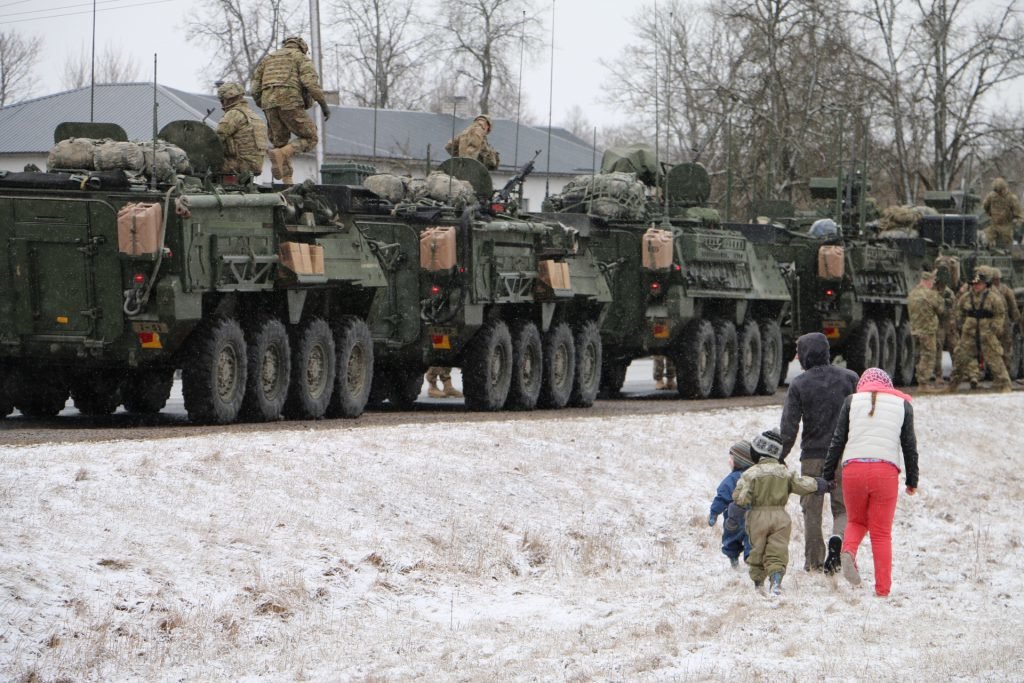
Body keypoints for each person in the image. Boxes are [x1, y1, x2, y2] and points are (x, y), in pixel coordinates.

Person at [823, 368, 919, 598]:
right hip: (884, 471)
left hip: (853, 469)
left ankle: (848, 551)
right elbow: (909, 446)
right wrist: (912, 480)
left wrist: (828, 473)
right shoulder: (902, 405)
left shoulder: (851, 402)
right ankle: (882, 589)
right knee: (881, 533)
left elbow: (838, 440)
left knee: (856, 521)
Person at [779, 332, 859, 573]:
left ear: (805, 355)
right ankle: (840, 543)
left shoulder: (799, 384)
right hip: (844, 455)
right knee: (843, 508)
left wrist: (779, 455)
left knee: (811, 509)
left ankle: (814, 562)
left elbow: (789, 426)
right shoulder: (850, 378)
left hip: (813, 457)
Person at [730, 429, 827, 595]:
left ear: (757, 452)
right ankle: (776, 581)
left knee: (757, 550)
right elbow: (802, 484)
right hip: (780, 517)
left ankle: (758, 581)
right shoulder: (785, 472)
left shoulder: (751, 473)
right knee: (778, 550)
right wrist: (818, 484)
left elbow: (741, 497)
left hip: (757, 517)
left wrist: (737, 509)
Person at [250, 35, 330, 185]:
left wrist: (263, 103)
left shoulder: (268, 59)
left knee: (280, 143)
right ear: (302, 47)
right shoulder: (301, 58)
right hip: (290, 101)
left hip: (269, 103)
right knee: (311, 138)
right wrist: (323, 105)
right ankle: (282, 154)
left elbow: (254, 88)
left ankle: (288, 183)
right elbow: (310, 83)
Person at [948, 268, 1010, 393]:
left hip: (987, 333)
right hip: (969, 333)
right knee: (960, 358)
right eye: (974, 284)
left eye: (979, 284)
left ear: (985, 284)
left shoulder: (993, 298)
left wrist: (996, 327)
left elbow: (1000, 314)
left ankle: (1004, 384)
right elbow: (958, 311)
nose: (976, 286)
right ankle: (952, 386)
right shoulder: (966, 297)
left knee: (995, 359)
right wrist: (959, 323)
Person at [708, 440, 754, 569]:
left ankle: (733, 557)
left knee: (731, 538)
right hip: (754, 515)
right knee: (752, 538)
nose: (729, 461)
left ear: (740, 461)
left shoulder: (732, 478)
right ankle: (750, 557)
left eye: (731, 458)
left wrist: (714, 513)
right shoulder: (756, 477)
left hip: (735, 517)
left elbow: (722, 497)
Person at [215, 82, 268, 178]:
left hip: (238, 165)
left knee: (200, 165)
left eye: (222, 100)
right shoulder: (254, 116)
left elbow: (216, 139)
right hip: (255, 166)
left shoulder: (233, 114)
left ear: (226, 99)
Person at [907, 270, 945, 391]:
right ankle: (923, 383)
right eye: (932, 282)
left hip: (915, 329)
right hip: (927, 330)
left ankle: (919, 378)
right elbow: (941, 310)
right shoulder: (930, 294)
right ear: (928, 281)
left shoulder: (912, 293)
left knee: (919, 355)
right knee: (928, 355)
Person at [987, 267, 1020, 372]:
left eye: (998, 279)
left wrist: (1017, 320)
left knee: (1006, 347)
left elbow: (1013, 306)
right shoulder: (987, 290)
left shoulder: (1006, 290)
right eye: (995, 279)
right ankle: (992, 371)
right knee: (991, 347)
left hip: (1004, 322)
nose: (997, 281)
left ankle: (1006, 370)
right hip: (991, 322)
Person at [981, 177, 1022, 248]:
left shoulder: (1012, 198)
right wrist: (990, 214)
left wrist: (1017, 224)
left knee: (1006, 248)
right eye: (997, 191)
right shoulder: (992, 196)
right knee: (986, 242)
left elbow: (1019, 215)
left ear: (1004, 188)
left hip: (1006, 226)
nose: (999, 193)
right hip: (994, 225)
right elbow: (985, 206)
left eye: (1000, 191)